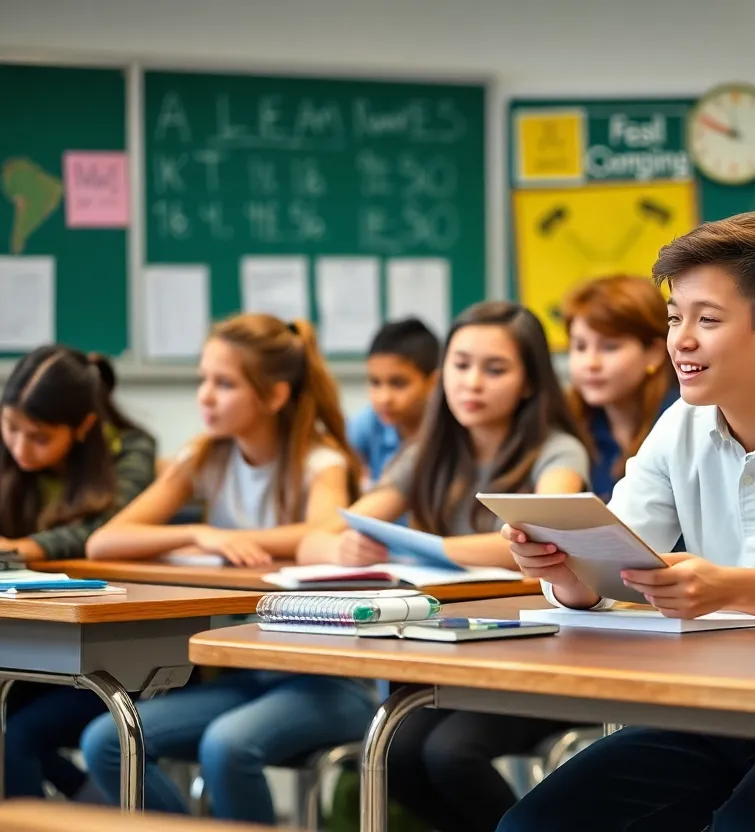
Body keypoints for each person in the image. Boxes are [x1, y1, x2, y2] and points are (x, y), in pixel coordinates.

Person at [498, 212, 755, 832]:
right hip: (722, 710)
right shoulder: (680, 425)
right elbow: (612, 552)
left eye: (708, 320)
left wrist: (731, 588)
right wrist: (566, 571)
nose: (680, 340)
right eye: (675, 317)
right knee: (531, 827)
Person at [298, 301, 590, 832]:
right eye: (460, 365)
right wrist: (340, 548)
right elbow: (319, 538)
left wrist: (431, 547)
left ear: (529, 383)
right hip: (449, 657)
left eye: (494, 369)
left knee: (451, 754)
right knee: (396, 753)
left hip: (539, 663)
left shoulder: (558, 450)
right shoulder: (425, 452)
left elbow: (551, 536)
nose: (471, 382)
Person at [81, 315, 373, 823]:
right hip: (247, 673)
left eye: (224, 383)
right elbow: (106, 539)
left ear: (275, 396)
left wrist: (238, 540)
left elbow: (324, 536)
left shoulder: (319, 460)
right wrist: (200, 533)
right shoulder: (205, 456)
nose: (205, 397)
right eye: (202, 380)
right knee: (107, 740)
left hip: (332, 680)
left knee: (226, 746)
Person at [0, 346, 156, 800]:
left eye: (40, 437)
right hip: (27, 650)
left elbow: (103, 532)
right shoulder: (10, 453)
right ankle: (89, 802)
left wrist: (22, 548)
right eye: (10, 428)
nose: (21, 447)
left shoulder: (129, 450)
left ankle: (88, 806)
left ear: (85, 426)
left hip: (109, 656)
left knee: (17, 737)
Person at [563, 275, 678, 500]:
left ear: (654, 352)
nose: (591, 363)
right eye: (580, 346)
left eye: (610, 347)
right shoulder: (572, 424)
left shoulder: (685, 422)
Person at [347, 318, 440, 486]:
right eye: (375, 382)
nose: (384, 398)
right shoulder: (367, 423)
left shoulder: (449, 428)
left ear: (432, 382)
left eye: (398, 384)